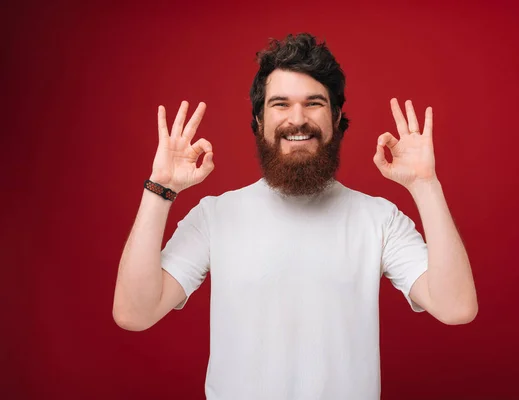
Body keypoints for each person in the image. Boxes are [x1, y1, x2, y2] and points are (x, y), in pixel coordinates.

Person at [113, 33, 478, 400]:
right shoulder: (215, 216)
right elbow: (135, 313)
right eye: (281, 104)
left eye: (314, 103)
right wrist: (161, 189)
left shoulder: (378, 219)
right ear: (259, 120)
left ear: (335, 117)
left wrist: (425, 186)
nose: (298, 119)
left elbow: (456, 307)